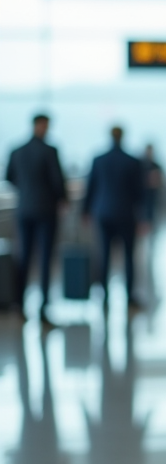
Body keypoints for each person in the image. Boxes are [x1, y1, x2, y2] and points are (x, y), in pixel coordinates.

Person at [4, 114, 67, 321]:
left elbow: (9, 177)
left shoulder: (17, 150)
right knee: (45, 259)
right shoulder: (50, 151)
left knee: (24, 256)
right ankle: (43, 308)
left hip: (24, 209)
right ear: (42, 125)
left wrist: (27, 192)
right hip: (46, 211)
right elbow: (58, 182)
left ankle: (19, 305)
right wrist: (59, 198)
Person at [83, 126, 145, 310]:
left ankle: (104, 296)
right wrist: (143, 217)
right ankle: (129, 296)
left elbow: (91, 187)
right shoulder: (132, 161)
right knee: (128, 256)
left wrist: (85, 212)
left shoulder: (98, 159)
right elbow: (139, 192)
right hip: (126, 214)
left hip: (103, 213)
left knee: (104, 255)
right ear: (123, 136)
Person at [141, 144, 163, 226]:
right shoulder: (140, 164)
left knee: (151, 217)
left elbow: (160, 181)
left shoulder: (156, 165)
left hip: (153, 195)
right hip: (142, 196)